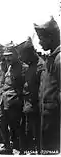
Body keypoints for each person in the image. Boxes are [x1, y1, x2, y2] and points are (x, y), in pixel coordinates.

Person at [0, 43, 28, 154]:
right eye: (6, 55)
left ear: (16, 55)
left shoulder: (24, 68)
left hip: (15, 103)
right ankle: (7, 147)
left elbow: (25, 88)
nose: (7, 58)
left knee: (17, 127)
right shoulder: (8, 66)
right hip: (4, 101)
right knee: (2, 124)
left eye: (10, 55)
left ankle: (22, 149)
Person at [34, 16, 60, 154]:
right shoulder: (51, 58)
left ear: (51, 37)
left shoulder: (59, 60)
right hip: (47, 119)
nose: (39, 42)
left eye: (41, 38)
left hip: (55, 123)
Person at [17, 37, 45, 153]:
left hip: (36, 109)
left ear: (29, 53)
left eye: (22, 55)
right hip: (28, 107)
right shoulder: (30, 66)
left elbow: (42, 92)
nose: (20, 58)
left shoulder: (41, 67)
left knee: (38, 136)